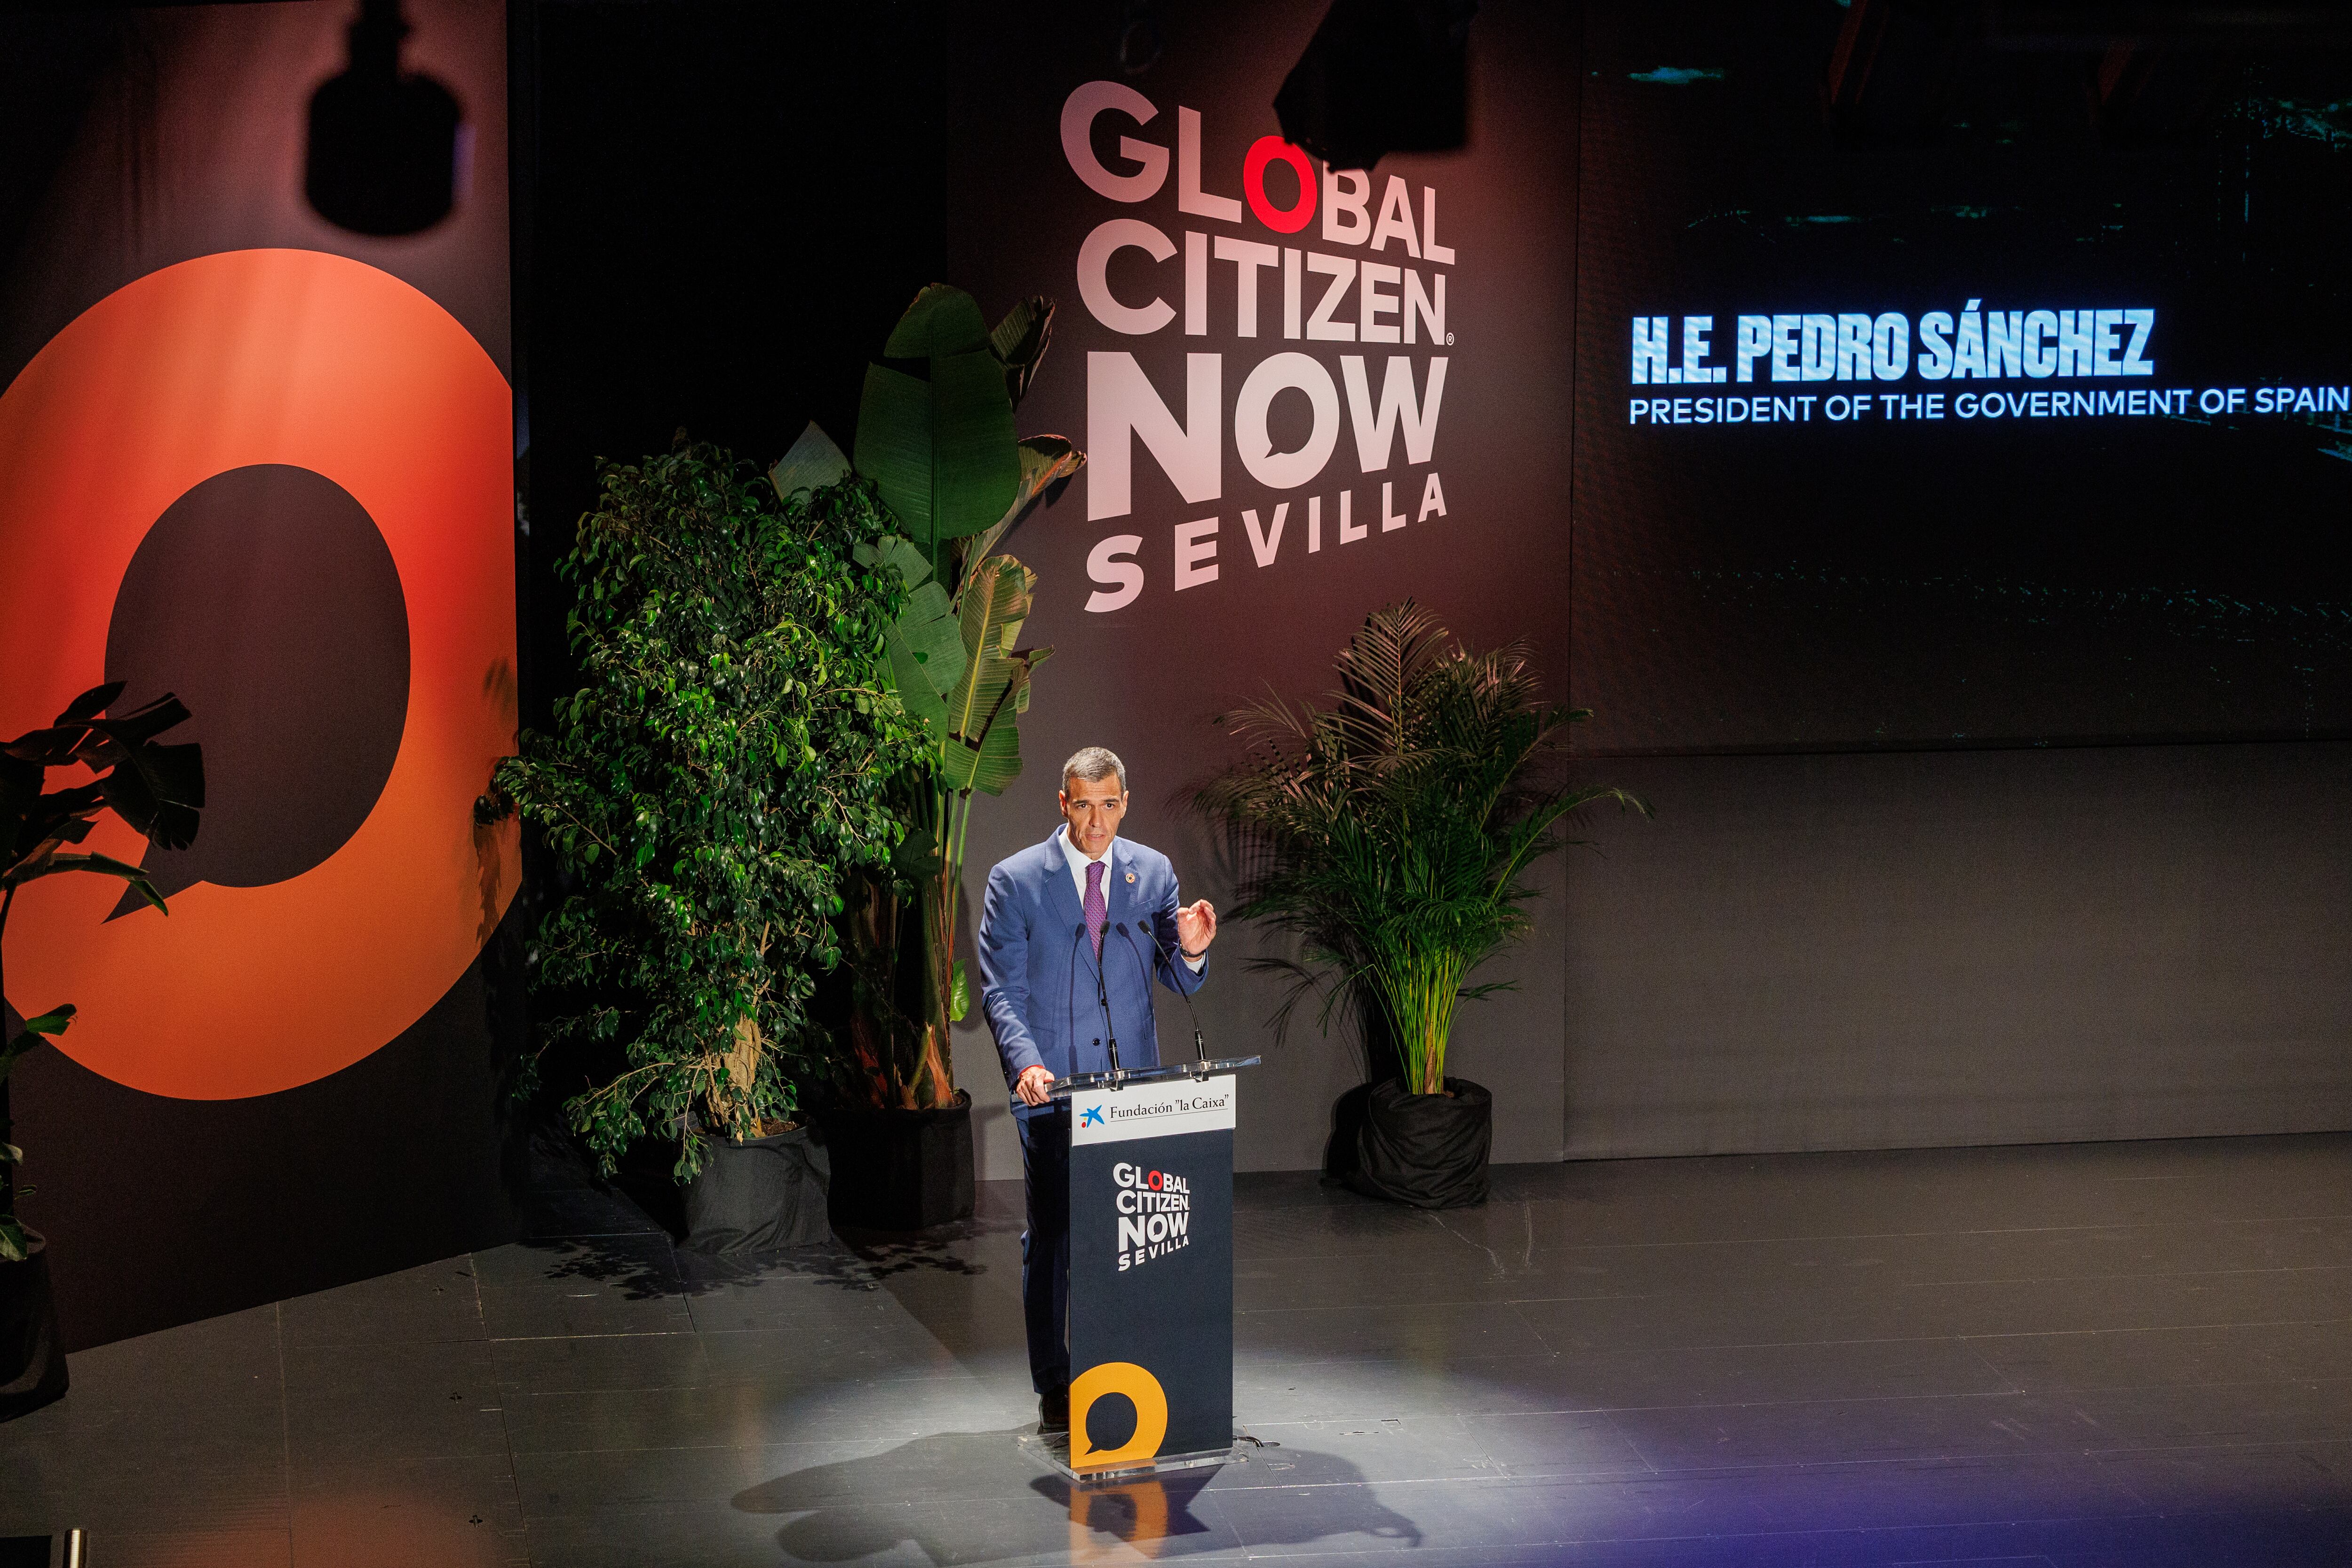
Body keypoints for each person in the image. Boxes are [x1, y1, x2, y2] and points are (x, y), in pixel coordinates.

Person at [978, 745, 1216, 1434]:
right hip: (1053, 1090)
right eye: (1083, 804)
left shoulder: (1154, 874)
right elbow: (1002, 991)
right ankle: (1056, 1379)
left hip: (1133, 1086)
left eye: (1109, 804)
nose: (1097, 820)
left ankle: (1126, 1366)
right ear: (1063, 803)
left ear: (1125, 801)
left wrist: (1194, 948)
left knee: (1130, 1235)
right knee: (1054, 1235)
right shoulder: (1016, 880)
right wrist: (1025, 1064)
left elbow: (1179, 976)